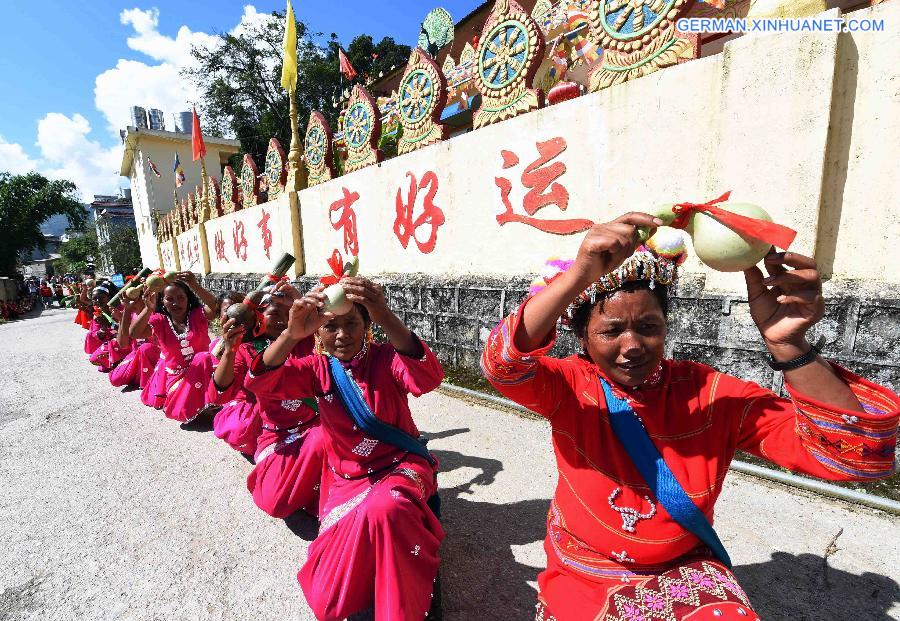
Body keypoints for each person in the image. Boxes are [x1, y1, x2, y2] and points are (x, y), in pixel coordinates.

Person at [480, 213, 899, 621]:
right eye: (610, 332)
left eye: (648, 327)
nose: (632, 346)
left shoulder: (711, 394)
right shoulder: (570, 386)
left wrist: (790, 344)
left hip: (685, 570)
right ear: (583, 338)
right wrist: (577, 278)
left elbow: (853, 456)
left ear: (666, 326)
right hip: (584, 572)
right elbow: (502, 364)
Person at [245, 277, 445, 620]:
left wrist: (385, 314)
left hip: (401, 466)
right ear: (318, 334)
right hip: (346, 480)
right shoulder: (316, 369)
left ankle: (408, 605)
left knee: (386, 508)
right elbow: (261, 383)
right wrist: (292, 334)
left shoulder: (387, 359)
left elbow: (427, 378)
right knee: (327, 601)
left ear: (367, 326)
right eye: (330, 326)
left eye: (351, 323)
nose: (341, 334)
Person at [210, 283, 327, 521]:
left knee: (324, 440)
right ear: (257, 318)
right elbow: (218, 396)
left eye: (283, 306)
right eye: (267, 306)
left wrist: (300, 300)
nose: (274, 308)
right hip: (278, 437)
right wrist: (230, 350)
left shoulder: (310, 341)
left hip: (318, 426)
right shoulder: (247, 349)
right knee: (274, 500)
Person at [130, 272, 218, 423]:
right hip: (177, 378)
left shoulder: (198, 315)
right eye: (169, 299)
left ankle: (209, 402)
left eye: (180, 298)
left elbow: (214, 307)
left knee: (203, 357)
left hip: (206, 372)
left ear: (188, 299)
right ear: (162, 302)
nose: (176, 303)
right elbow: (134, 332)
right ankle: (203, 405)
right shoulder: (159, 321)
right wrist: (148, 308)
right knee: (181, 410)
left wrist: (194, 284)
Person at [109, 295, 161, 390]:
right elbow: (123, 344)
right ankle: (142, 376)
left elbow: (158, 342)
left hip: (156, 355)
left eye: (134, 298)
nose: (130, 301)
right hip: (136, 355)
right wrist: (123, 317)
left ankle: (148, 381)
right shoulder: (130, 314)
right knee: (115, 379)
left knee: (145, 348)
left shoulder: (154, 313)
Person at [83, 281, 120, 357]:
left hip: (125, 341)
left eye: (101, 298)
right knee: (90, 335)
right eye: (94, 298)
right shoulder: (98, 313)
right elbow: (96, 333)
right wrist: (103, 328)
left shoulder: (120, 309)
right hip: (110, 342)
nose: (97, 301)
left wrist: (109, 325)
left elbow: (127, 330)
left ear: (109, 297)